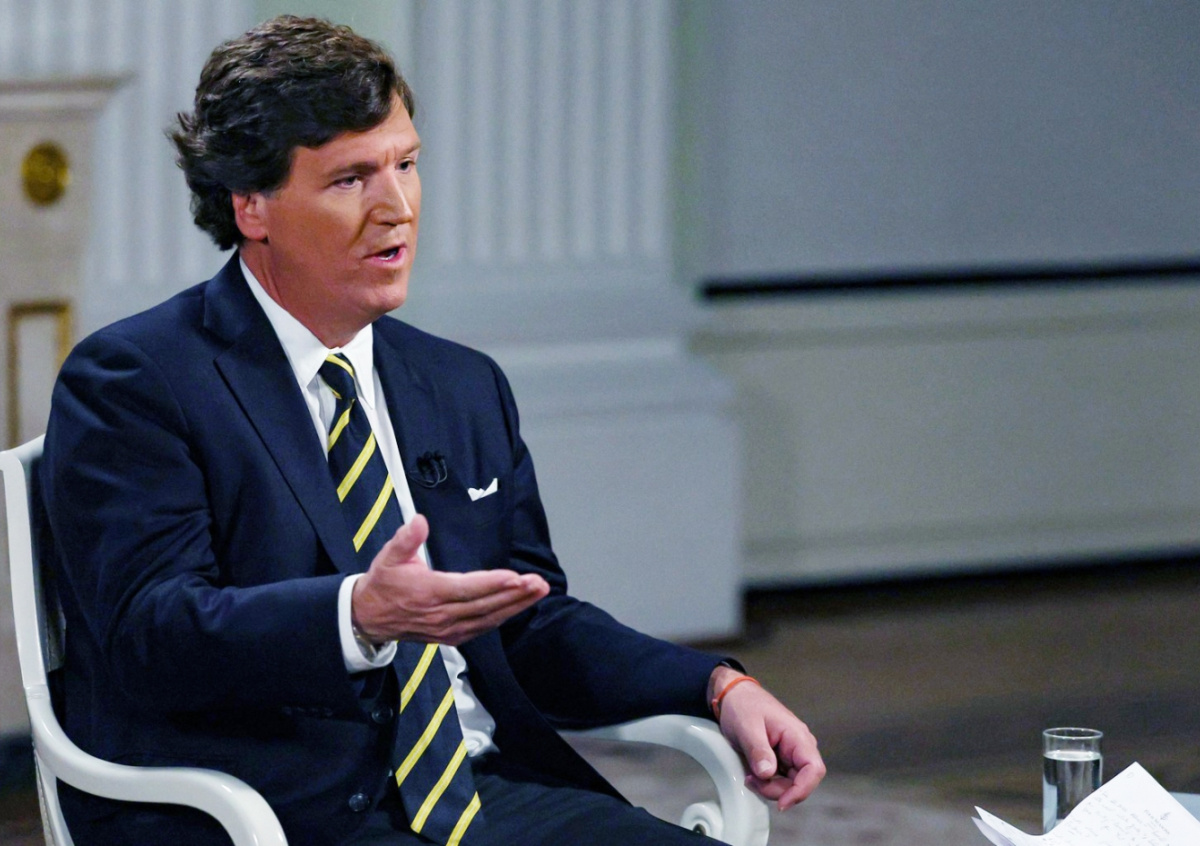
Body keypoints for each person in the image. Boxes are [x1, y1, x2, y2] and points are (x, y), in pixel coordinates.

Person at [39, 15, 824, 846]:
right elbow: (153, 634)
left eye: (406, 165)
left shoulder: (459, 384)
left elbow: (526, 623)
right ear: (252, 206)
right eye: (350, 179)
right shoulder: (137, 379)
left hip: (485, 794)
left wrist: (717, 687)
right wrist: (358, 616)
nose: (397, 208)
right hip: (276, 813)